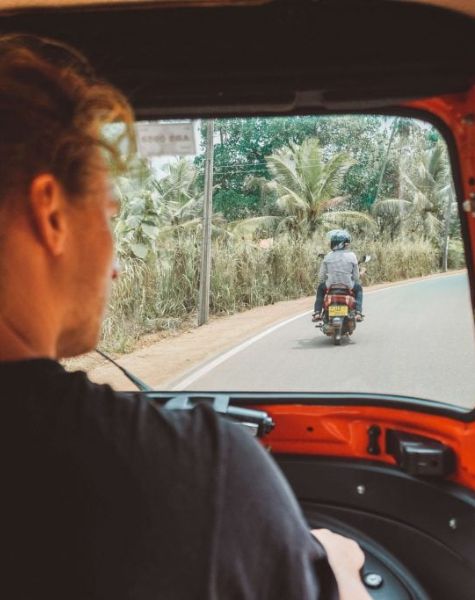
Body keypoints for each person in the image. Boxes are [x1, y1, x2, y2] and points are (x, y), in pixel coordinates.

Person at [0, 34, 371, 599]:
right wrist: (340, 570)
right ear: (51, 214)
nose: (116, 266)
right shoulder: (198, 474)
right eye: (108, 215)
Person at [312, 230, 364, 324]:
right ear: (342, 244)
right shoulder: (352, 256)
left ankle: (317, 313)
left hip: (330, 285)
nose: (347, 245)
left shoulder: (327, 257)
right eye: (346, 243)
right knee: (359, 289)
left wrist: (325, 280)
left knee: (320, 289)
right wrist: (356, 278)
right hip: (348, 286)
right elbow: (356, 277)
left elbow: (321, 276)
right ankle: (358, 312)